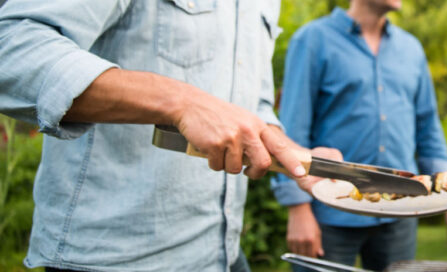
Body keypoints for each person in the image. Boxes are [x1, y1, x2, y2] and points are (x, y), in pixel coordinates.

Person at [0, 1, 334, 271]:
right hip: (113, 260)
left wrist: (293, 155)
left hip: (222, 252)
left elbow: (252, 105)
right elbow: (12, 49)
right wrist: (180, 102)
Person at [272, 1, 447, 271]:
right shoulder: (312, 40)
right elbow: (292, 129)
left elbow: (429, 131)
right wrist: (297, 208)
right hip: (330, 212)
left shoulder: (411, 49)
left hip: (403, 211)